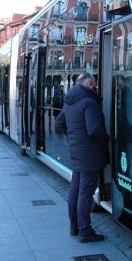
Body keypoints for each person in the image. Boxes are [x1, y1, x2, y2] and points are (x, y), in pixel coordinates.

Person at [55, 73, 108, 243]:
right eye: (94, 85)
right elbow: (94, 130)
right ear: (91, 84)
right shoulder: (89, 102)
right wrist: (107, 138)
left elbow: (59, 125)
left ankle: (74, 227)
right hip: (90, 155)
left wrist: (73, 138)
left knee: (75, 191)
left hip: (77, 152)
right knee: (86, 193)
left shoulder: (70, 101)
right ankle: (85, 231)